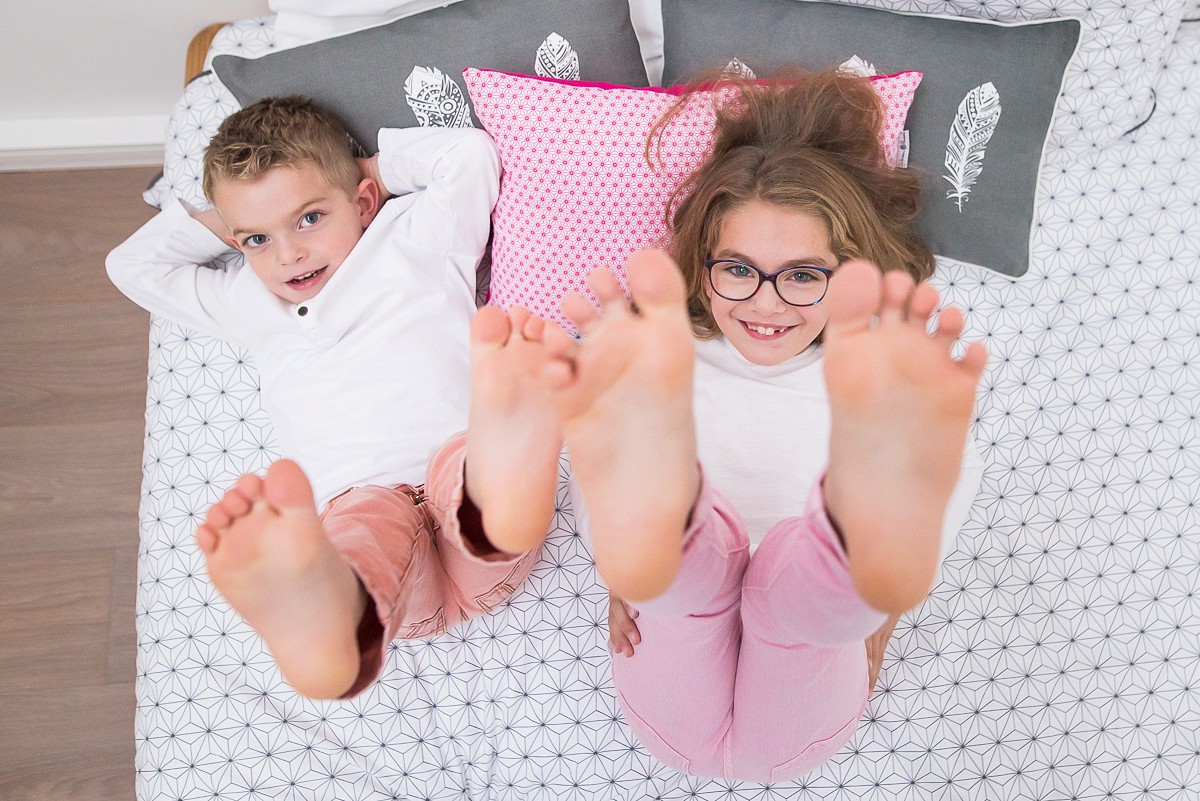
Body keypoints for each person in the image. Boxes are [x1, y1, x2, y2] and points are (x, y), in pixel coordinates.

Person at [466, 69, 988, 781]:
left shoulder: (871, 370)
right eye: (739, 269)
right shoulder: (671, 356)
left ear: (853, 269)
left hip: (810, 631)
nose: (767, 303)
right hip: (679, 621)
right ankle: (672, 531)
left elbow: (944, 483)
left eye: (804, 275)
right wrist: (625, 572)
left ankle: (848, 547)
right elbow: (606, 471)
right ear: (701, 265)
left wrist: (882, 610)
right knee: (692, 572)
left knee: (797, 593)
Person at [106, 96, 551, 701]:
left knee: (467, 470)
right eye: (258, 239)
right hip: (376, 541)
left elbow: (466, 154)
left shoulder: (413, 235)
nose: (287, 254)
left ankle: (501, 492)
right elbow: (131, 265)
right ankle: (328, 616)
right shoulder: (245, 298)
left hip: (461, 479)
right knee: (361, 531)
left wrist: (369, 171)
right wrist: (234, 216)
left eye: (308, 219)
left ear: (363, 203)